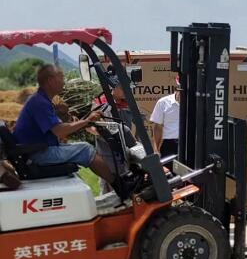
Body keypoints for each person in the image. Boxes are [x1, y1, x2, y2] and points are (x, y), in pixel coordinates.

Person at [13, 64, 125, 196]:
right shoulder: (40, 103)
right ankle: (121, 186)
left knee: (82, 148)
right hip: (38, 155)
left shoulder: (41, 100)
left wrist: (79, 122)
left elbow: (56, 128)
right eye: (61, 77)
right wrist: (87, 121)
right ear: (51, 80)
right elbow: (59, 131)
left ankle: (118, 185)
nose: (64, 81)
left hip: (36, 151)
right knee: (86, 149)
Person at [91, 69, 137, 194]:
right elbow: (91, 127)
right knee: (109, 188)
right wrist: (104, 134)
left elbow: (133, 126)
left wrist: (132, 146)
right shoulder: (100, 104)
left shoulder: (127, 104)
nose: (127, 92)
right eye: (124, 88)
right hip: (107, 154)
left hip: (125, 152)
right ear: (114, 87)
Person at [150, 77, 180, 171]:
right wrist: (156, 149)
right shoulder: (163, 102)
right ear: (177, 88)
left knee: (190, 177)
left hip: (190, 144)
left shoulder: (196, 102)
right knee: (170, 176)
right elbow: (157, 127)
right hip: (169, 145)